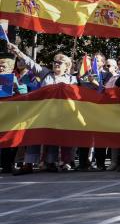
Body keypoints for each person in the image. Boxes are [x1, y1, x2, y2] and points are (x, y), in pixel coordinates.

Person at [8, 43, 78, 175]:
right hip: (41, 112)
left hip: (60, 114)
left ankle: (50, 163)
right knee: (34, 136)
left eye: (60, 62)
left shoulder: (72, 79)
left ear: (67, 66)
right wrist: (18, 52)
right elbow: (31, 63)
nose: (56, 64)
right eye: (55, 62)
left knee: (52, 137)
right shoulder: (45, 73)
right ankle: (28, 164)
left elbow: (75, 96)